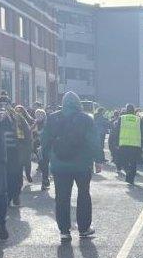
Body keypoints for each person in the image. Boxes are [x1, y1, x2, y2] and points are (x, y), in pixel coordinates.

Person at [42, 92, 105, 243]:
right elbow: (93, 141)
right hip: (82, 164)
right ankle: (83, 228)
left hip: (59, 164)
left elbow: (45, 139)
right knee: (83, 194)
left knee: (62, 197)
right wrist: (99, 159)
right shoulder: (86, 119)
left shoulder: (52, 117)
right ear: (78, 103)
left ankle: (64, 230)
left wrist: (45, 158)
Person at [116, 104, 143, 185]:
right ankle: (131, 179)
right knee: (133, 162)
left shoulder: (122, 118)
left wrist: (116, 142)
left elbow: (117, 131)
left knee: (124, 161)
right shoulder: (138, 119)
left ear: (126, 109)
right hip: (135, 145)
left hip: (124, 144)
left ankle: (127, 170)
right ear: (134, 110)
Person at [0, 106, 11, 241]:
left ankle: (1, 225)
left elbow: (9, 126)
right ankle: (1, 225)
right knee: (0, 195)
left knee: (0, 195)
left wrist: (5, 114)